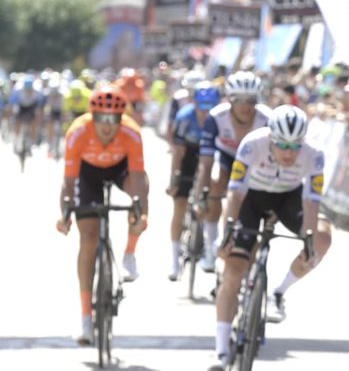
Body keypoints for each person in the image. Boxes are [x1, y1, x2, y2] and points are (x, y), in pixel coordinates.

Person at [207, 105, 332, 371]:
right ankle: (220, 351)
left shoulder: (314, 154)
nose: (288, 153)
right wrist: (228, 231)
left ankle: (278, 292)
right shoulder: (252, 144)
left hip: (289, 198)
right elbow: (235, 193)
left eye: (295, 146)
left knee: (322, 237)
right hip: (251, 199)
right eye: (282, 145)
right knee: (234, 270)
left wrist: (309, 241)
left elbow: (312, 202)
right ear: (270, 138)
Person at [56, 85, 149, 345]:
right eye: (101, 118)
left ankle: (129, 252)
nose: (107, 125)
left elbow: (137, 177)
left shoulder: (131, 132)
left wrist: (141, 213)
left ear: (121, 118)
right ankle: (86, 317)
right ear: (92, 116)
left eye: (113, 119)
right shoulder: (77, 132)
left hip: (120, 169)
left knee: (140, 196)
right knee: (88, 238)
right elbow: (68, 182)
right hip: (88, 174)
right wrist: (65, 214)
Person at [194, 71, 271, 273]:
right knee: (216, 180)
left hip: (253, 161)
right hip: (226, 156)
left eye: (251, 101)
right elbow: (205, 163)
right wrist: (202, 196)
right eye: (239, 100)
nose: (246, 107)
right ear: (230, 100)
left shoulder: (267, 119)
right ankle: (211, 245)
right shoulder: (216, 117)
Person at [166, 81, 221, 280]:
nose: (206, 111)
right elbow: (177, 153)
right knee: (180, 205)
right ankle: (174, 260)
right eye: (202, 105)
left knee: (213, 193)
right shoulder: (184, 117)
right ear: (194, 103)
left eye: (210, 106)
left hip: (211, 154)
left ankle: (209, 247)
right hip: (188, 154)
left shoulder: (220, 119)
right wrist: (174, 180)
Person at [9, 74, 44, 155]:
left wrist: (39, 114)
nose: (28, 91)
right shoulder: (18, 89)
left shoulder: (37, 89)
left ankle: (32, 142)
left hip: (31, 106)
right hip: (21, 106)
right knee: (17, 121)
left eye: (29, 89)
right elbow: (12, 101)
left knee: (34, 121)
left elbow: (40, 103)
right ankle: (16, 140)